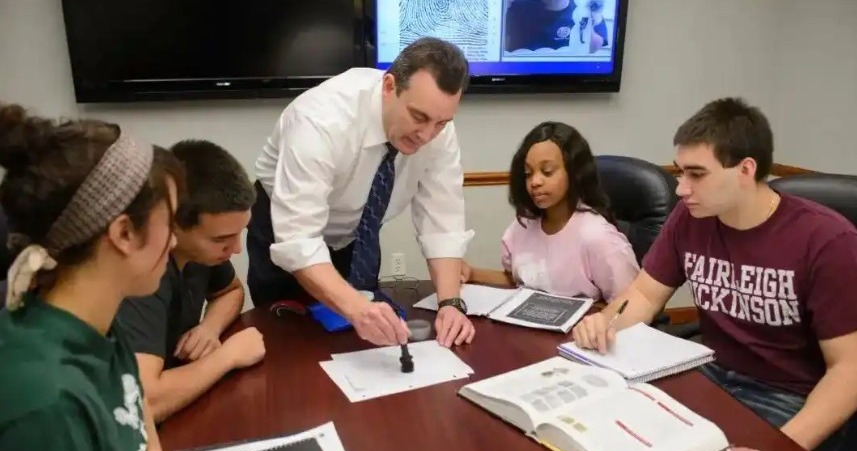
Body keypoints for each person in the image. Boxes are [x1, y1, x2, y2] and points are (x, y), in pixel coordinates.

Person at [573, 97, 857, 451]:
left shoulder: (827, 240)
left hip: (790, 394)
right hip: (713, 371)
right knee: (620, 438)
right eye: (680, 173)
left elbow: (848, 369)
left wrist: (782, 449)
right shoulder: (691, 218)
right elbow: (643, 294)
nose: (680, 189)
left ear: (745, 170)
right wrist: (606, 322)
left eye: (696, 174)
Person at [248, 37, 475, 348]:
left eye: (441, 123)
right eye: (419, 117)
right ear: (389, 87)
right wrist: (358, 309)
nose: (427, 135)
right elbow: (299, 242)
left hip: (356, 234)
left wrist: (450, 303)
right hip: (284, 228)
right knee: (289, 344)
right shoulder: (319, 120)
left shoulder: (438, 130)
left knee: (359, 342)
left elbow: (443, 221)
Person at [0, 104, 183, 451]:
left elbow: (144, 441)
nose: (175, 241)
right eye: (170, 222)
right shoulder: (44, 403)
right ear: (123, 233)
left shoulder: (101, 324)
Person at [116, 140, 265, 424]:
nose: (236, 249)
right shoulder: (143, 276)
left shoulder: (201, 254)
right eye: (221, 239)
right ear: (173, 225)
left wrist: (210, 327)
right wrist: (227, 357)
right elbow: (143, 404)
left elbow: (231, 291)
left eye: (239, 234)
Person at [460, 121, 638, 302]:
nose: (535, 182)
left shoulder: (599, 237)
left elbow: (629, 305)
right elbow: (516, 282)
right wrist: (472, 273)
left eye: (547, 171)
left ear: (574, 173)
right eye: (528, 173)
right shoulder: (524, 224)